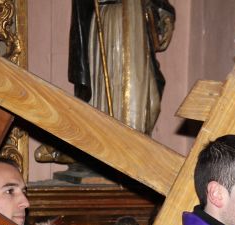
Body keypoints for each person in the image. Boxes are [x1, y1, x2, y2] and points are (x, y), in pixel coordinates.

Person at [68, 0, 175, 134]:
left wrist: (164, 15)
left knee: (151, 106)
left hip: (136, 22)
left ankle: (132, 144)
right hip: (112, 22)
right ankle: (116, 143)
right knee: (113, 105)